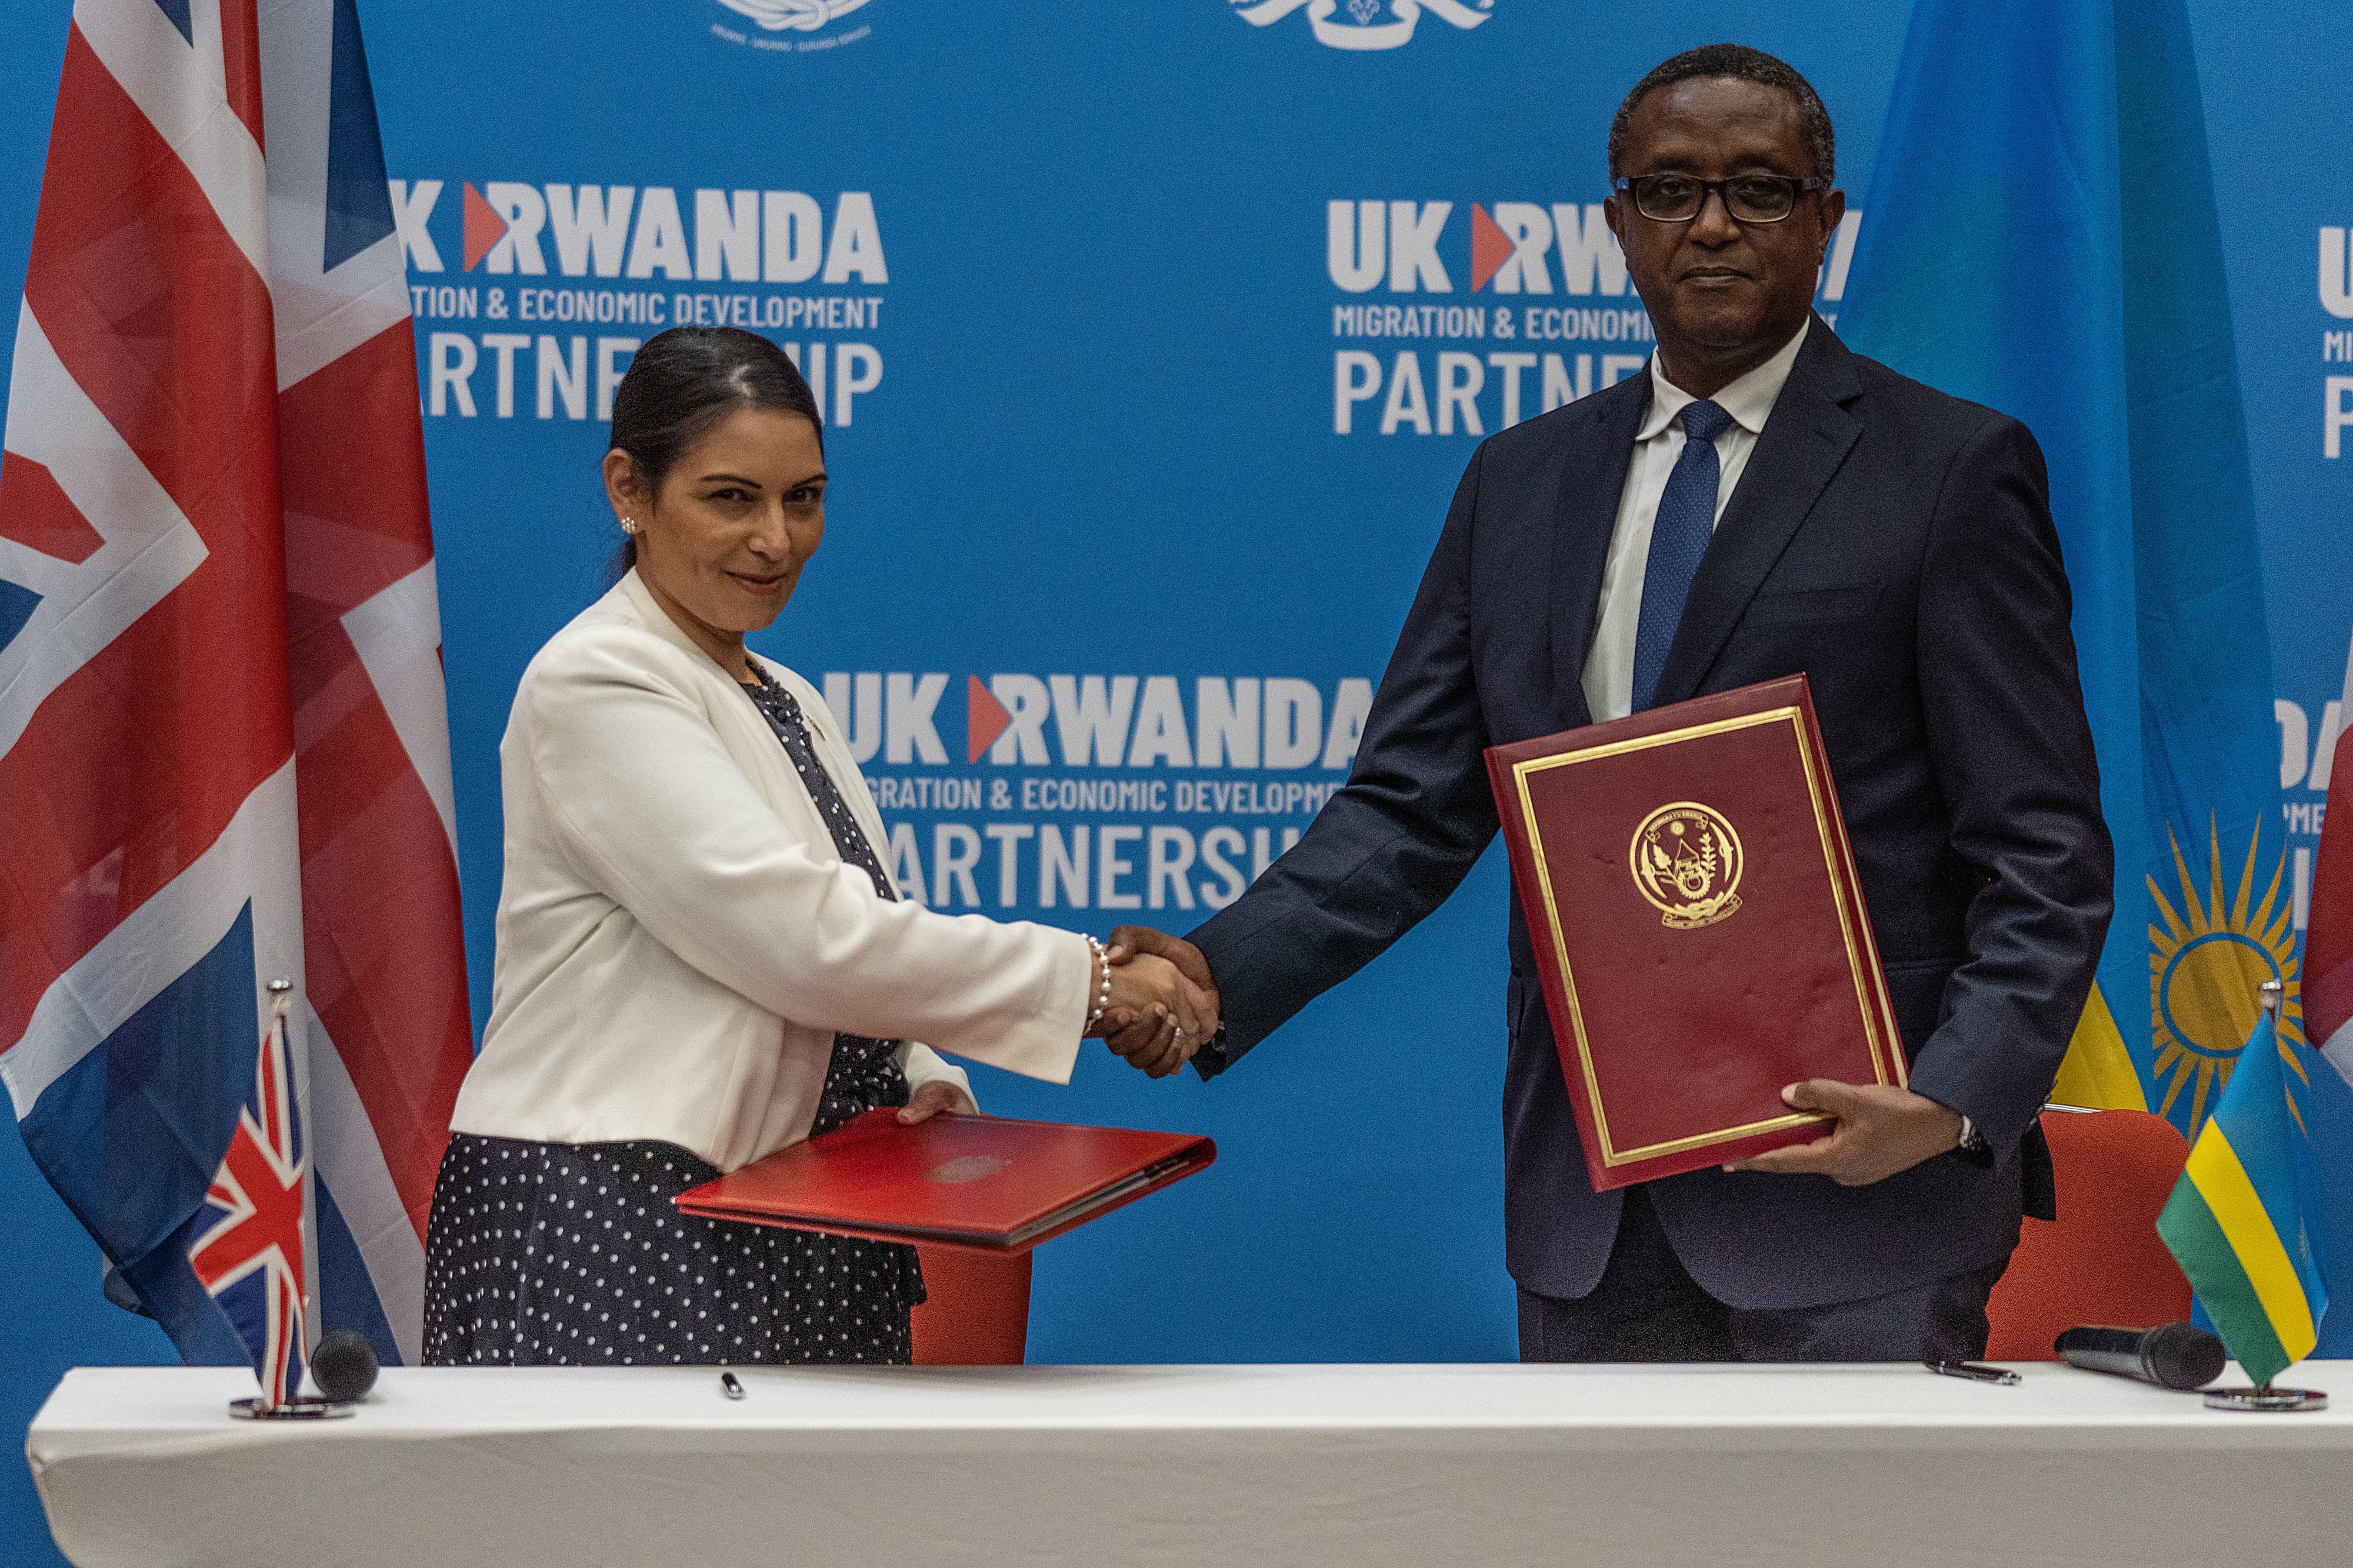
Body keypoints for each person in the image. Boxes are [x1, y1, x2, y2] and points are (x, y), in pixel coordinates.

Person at [1106, 44, 2113, 1363]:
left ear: (1825, 219)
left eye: (1758, 189)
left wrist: (1948, 1101)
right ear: (1615, 225)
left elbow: (2041, 847)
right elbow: (1407, 809)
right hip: (1594, 1201)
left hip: (1861, 1198)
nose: (1708, 223)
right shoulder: (1516, 484)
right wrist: (1211, 970)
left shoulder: (1948, 471)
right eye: (1666, 189)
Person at [424, 326, 1212, 1368]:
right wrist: (1099, 985)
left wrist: (920, 1085)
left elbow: (859, 943)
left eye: (804, 497)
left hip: (798, 1224)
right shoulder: (597, 679)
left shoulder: (789, 698)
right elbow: (804, 940)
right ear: (628, 488)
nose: (776, 538)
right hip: (613, 1214)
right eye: (731, 497)